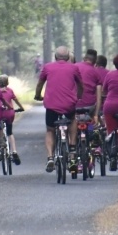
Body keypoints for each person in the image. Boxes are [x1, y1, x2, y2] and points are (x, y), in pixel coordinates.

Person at [33, 45, 83, 173]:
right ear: (67, 58)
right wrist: (79, 96)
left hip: (52, 106)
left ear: (55, 57)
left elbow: (40, 84)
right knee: (72, 120)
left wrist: (38, 95)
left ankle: (50, 157)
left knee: (50, 130)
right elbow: (80, 85)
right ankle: (72, 150)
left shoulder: (48, 67)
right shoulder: (74, 68)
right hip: (69, 105)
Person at [0, 74, 25, 164]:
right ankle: (14, 151)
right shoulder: (10, 91)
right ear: (7, 82)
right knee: (10, 133)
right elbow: (16, 101)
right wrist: (21, 108)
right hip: (9, 114)